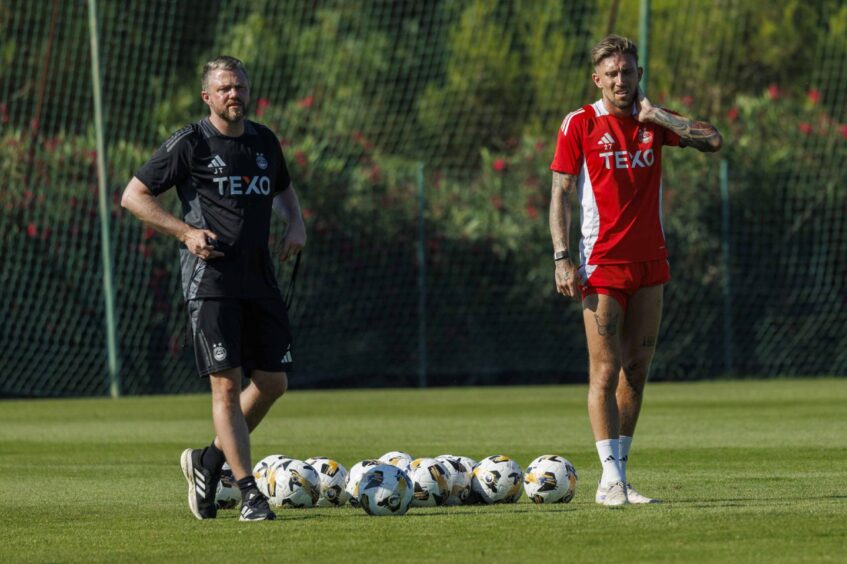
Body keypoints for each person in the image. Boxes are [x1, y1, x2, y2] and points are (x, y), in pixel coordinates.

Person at [121, 56, 306, 521]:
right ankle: (248, 493)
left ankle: (210, 460)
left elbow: (283, 188)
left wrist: (296, 225)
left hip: (260, 278)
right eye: (224, 88)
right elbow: (133, 196)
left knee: (272, 382)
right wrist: (185, 233)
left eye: (240, 87)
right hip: (212, 281)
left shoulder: (265, 140)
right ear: (208, 96)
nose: (234, 95)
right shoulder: (190, 143)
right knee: (225, 386)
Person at [548, 35, 722, 506]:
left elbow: (713, 140)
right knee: (603, 371)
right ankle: (608, 479)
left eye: (628, 71)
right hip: (601, 264)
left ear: (638, 75)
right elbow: (561, 192)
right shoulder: (579, 124)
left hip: (651, 264)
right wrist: (562, 256)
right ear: (597, 79)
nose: (621, 80)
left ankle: (620, 475)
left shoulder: (653, 122)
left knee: (637, 370)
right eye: (612, 73)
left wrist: (659, 115)